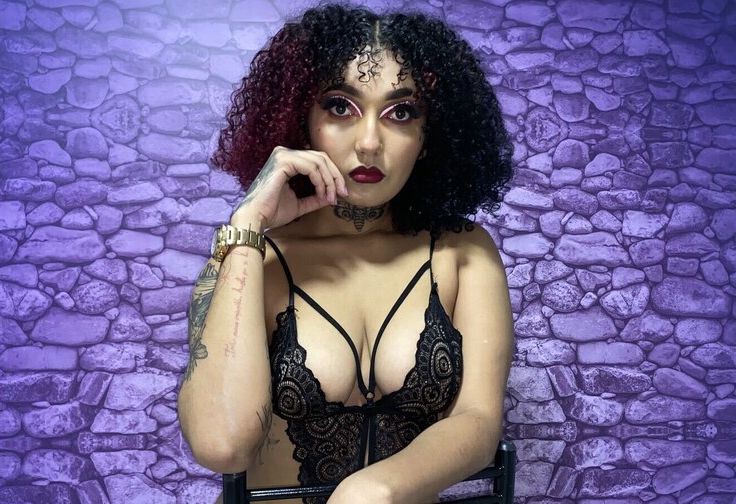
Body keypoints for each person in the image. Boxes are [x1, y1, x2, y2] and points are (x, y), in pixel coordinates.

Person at [177, 4, 515, 503]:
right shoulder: (249, 257)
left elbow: (478, 420)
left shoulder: (462, 252)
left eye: (401, 113)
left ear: (428, 138)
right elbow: (222, 445)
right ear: (302, 122)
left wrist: (372, 489)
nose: (370, 142)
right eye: (340, 107)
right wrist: (247, 225)